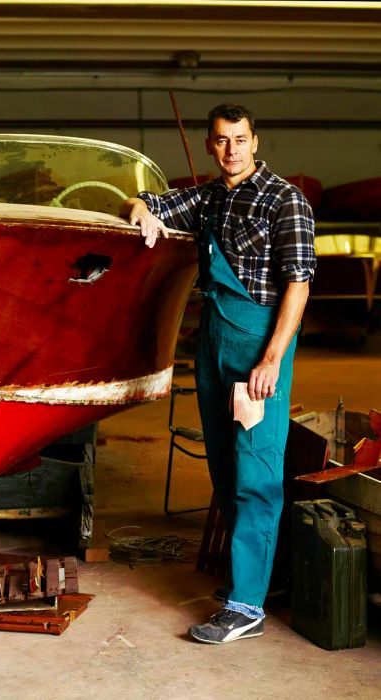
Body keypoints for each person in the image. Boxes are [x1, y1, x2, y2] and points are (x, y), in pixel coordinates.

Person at [119, 103, 316, 644]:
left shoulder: (285, 200)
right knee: (225, 468)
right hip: (212, 345)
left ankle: (246, 607)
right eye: (222, 140)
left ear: (256, 141)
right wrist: (142, 210)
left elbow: (298, 284)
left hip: (258, 345)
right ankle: (258, 578)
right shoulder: (209, 197)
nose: (232, 149)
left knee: (256, 471)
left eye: (241, 139)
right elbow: (151, 200)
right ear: (211, 145)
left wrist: (272, 359)